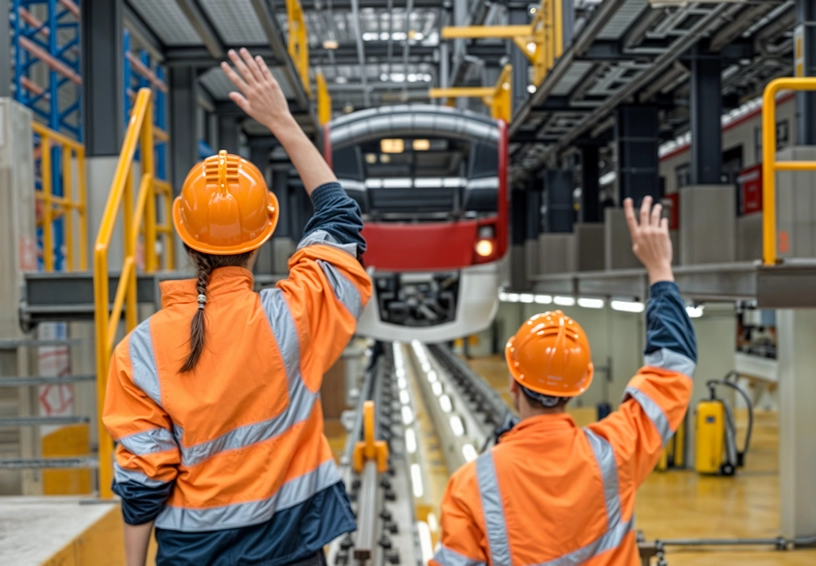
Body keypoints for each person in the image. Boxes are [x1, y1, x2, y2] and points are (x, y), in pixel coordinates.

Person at [102, 48, 371, 566]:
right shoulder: (294, 316)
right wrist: (282, 122)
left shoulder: (140, 351)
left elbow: (143, 480)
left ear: (184, 234)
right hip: (292, 546)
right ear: (263, 233)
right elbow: (341, 220)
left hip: (193, 553)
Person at [432, 196, 696, 565]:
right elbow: (673, 367)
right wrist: (660, 270)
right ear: (580, 385)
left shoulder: (472, 485)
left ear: (512, 382)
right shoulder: (615, 453)